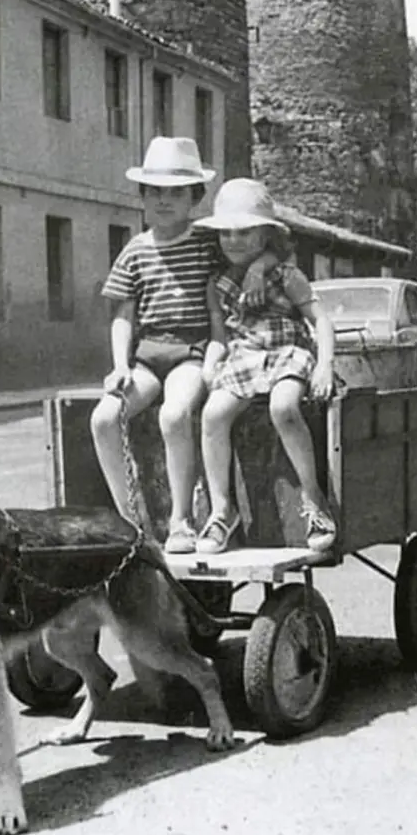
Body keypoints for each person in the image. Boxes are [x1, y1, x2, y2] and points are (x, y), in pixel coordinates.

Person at [90, 137, 270, 554]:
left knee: (174, 415)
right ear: (143, 198)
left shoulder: (209, 242)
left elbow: (256, 253)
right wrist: (120, 366)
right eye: (155, 192)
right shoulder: (135, 251)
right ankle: (132, 522)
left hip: (192, 351)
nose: (164, 201)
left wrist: (260, 266)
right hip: (147, 356)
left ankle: (181, 520)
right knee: (103, 418)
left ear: (195, 197)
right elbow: (123, 315)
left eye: (176, 192)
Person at [196, 177, 338, 555]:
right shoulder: (219, 282)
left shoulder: (286, 275)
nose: (233, 241)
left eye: (244, 232)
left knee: (284, 407)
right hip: (244, 357)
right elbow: (219, 335)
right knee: (212, 415)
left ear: (265, 236)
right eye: (226, 233)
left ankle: (314, 499)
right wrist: (211, 365)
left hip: (286, 350)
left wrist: (324, 365)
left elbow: (320, 321)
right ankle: (223, 509)